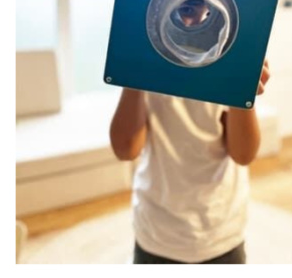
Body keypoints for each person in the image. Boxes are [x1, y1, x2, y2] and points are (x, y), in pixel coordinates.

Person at [109, 60, 271, 264]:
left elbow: (243, 154)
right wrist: (133, 74)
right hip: (157, 230)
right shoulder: (151, 63)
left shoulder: (227, 64)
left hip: (220, 231)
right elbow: (126, 149)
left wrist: (243, 89)